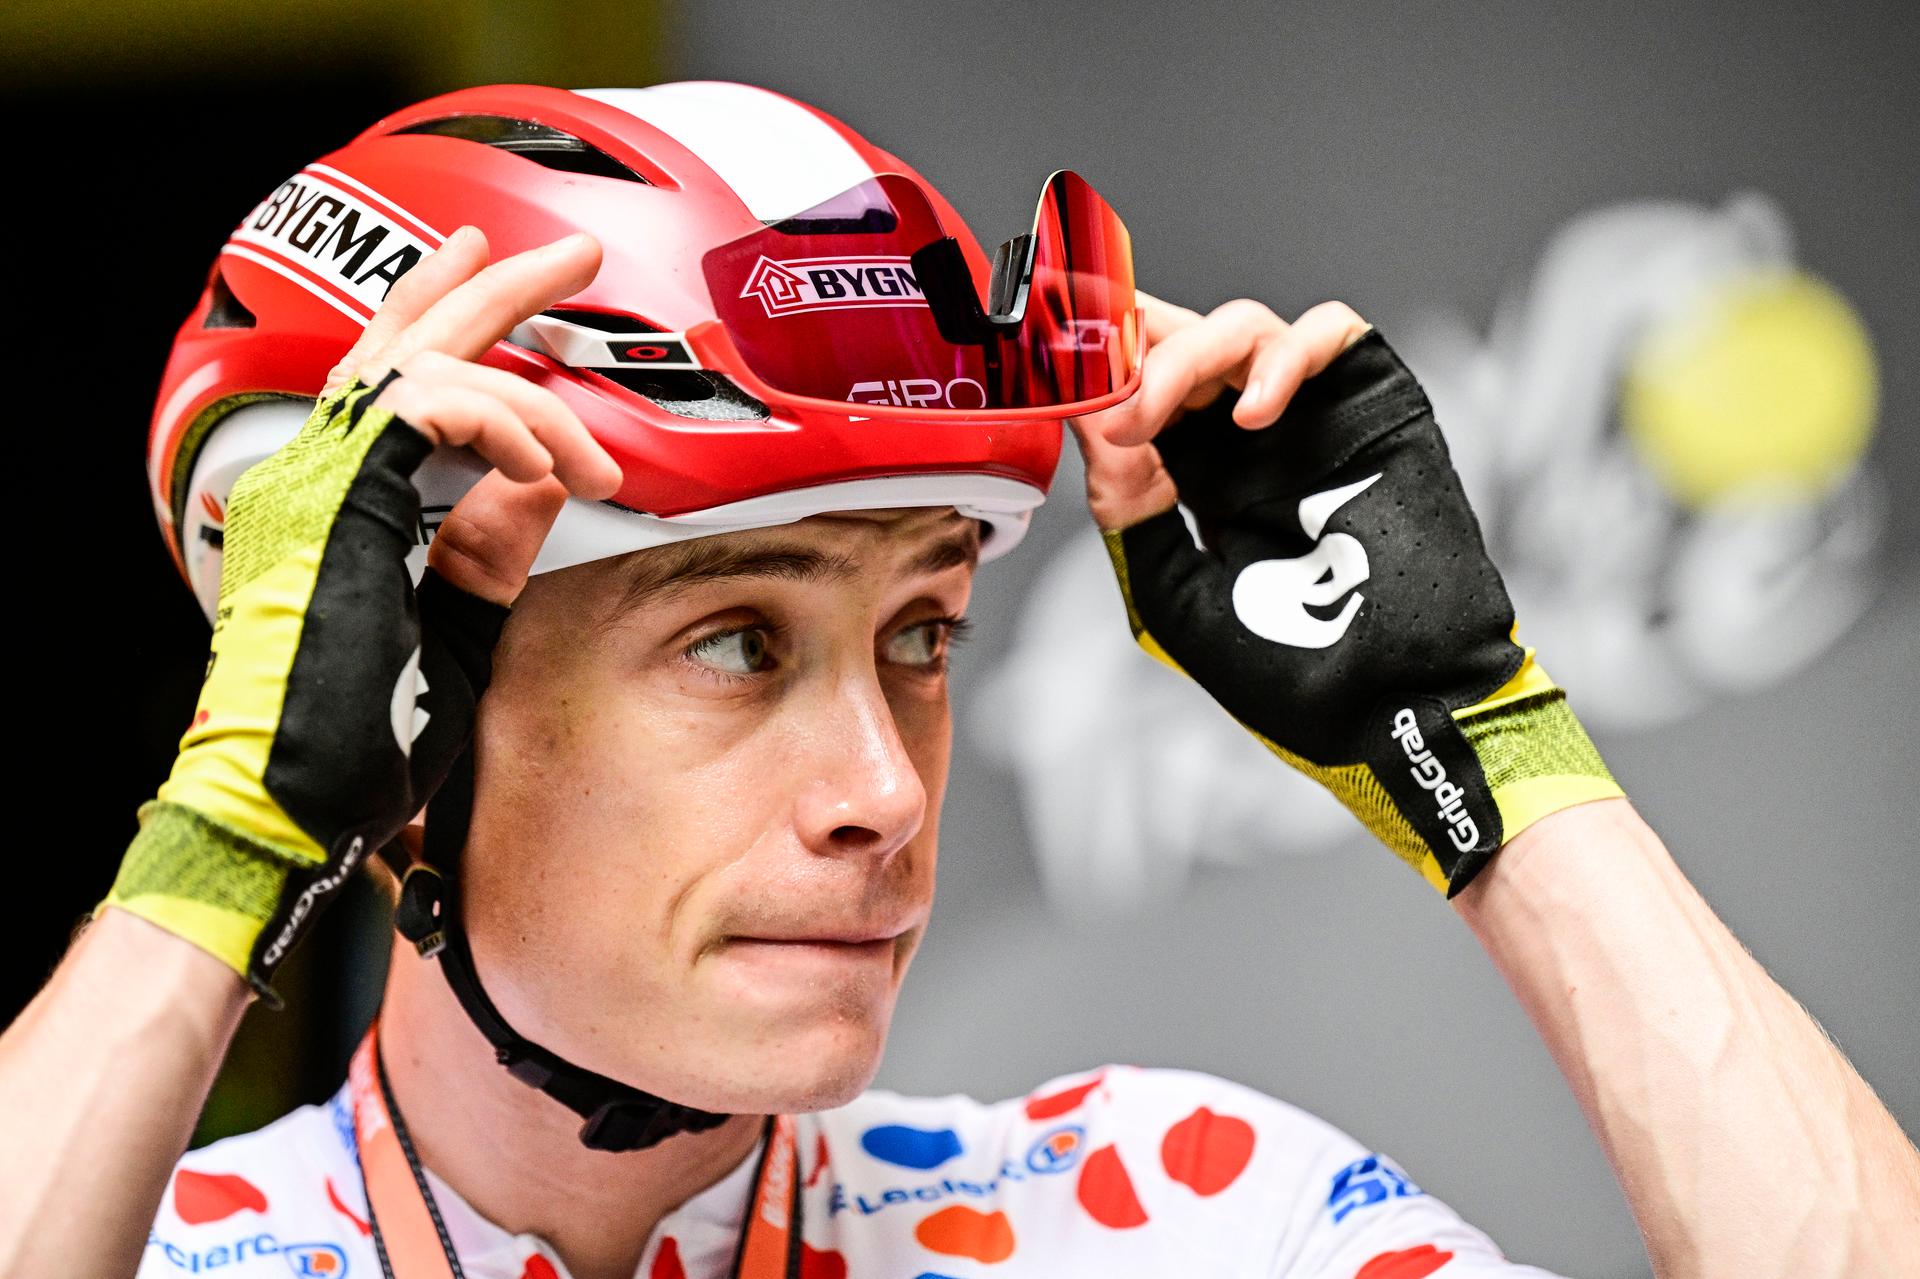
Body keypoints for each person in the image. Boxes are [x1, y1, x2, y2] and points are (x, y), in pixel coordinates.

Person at [1, 81, 1914, 1279]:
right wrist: (221, 845)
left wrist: (1484, 753)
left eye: (922, 634)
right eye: (736, 641)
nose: (891, 794)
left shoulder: (1172, 1217)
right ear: (401, 718)